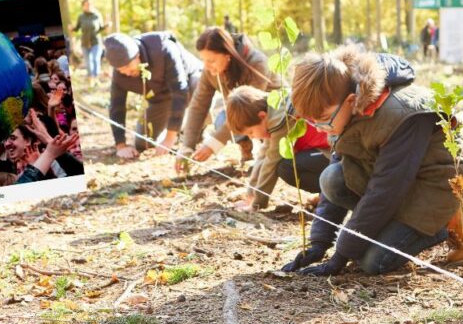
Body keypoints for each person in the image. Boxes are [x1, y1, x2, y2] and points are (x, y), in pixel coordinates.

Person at [280, 46, 463, 276]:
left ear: (351, 100)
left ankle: (443, 226)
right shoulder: (343, 108)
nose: (320, 127)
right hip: (397, 181)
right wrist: (319, 243)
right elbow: (342, 167)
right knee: (332, 179)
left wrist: (340, 257)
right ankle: (388, 230)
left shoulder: (398, 115)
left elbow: (385, 192)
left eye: (321, 120)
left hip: (434, 186)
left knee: (372, 263)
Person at [177, 27, 281, 170]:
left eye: (211, 60)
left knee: (241, 120)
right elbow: (198, 105)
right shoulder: (210, 72)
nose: (206, 66)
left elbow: (249, 109)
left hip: (272, 113)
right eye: (204, 60)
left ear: (228, 54)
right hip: (247, 114)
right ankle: (248, 153)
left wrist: (213, 144)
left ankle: (274, 157)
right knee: (222, 120)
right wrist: (187, 146)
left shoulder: (256, 62)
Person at [225, 85, 331, 211]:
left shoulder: (281, 120)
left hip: (334, 153)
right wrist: (251, 194)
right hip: (320, 151)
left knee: (286, 167)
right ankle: (326, 194)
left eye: (251, 133)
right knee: (287, 164)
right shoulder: (273, 112)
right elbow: (262, 156)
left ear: (262, 116)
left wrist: (257, 203)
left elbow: (271, 164)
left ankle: (331, 194)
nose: (252, 137)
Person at [104, 32, 203, 159]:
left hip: (189, 83)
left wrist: (169, 138)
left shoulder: (162, 48)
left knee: (199, 83)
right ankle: (180, 127)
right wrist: (121, 146)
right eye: (121, 69)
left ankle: (196, 126)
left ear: (137, 54)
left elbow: (180, 91)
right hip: (160, 98)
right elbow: (116, 107)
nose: (127, 72)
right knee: (143, 142)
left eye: (129, 66)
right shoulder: (120, 74)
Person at [72, 0, 104, 81]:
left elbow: (101, 27)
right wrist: (72, 28)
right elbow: (76, 28)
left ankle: (96, 77)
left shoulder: (97, 15)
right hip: (84, 43)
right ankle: (90, 77)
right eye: (86, 5)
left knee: (95, 59)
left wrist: (108, 25)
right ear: (83, 6)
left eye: (89, 4)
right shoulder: (81, 17)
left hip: (95, 41)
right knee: (88, 61)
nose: (88, 6)